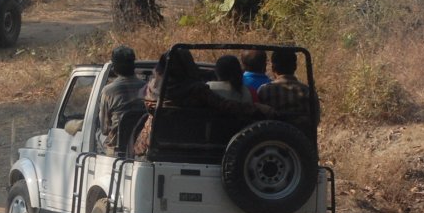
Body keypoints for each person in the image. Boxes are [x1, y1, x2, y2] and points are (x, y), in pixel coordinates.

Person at [132, 47, 274, 156]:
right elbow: (226, 106)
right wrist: (256, 108)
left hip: (151, 143)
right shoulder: (196, 90)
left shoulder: (152, 89)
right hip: (190, 145)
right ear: (188, 65)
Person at [97, 46, 147, 156]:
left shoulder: (108, 91)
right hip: (142, 146)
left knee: (97, 136)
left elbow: (105, 129)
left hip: (118, 148)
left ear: (114, 68)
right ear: (134, 66)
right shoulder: (147, 88)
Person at [256, 48, 320, 132]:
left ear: (273, 67)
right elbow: (315, 121)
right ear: (295, 67)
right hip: (302, 142)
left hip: (271, 142)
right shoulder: (308, 92)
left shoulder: (264, 91)